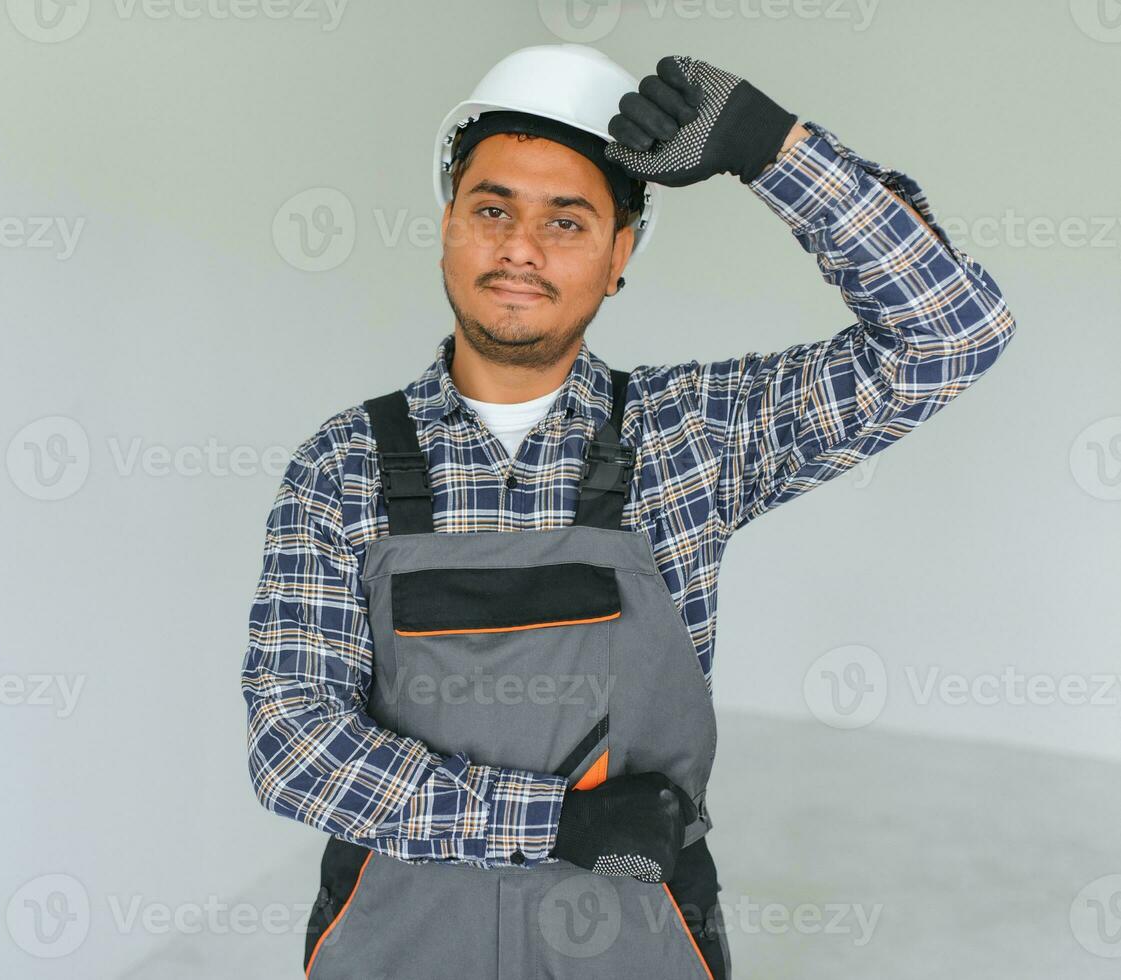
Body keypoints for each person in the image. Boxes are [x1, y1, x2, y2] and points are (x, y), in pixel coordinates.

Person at [241, 44, 1016, 980]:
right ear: (448, 224)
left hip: (631, 942)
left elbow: (950, 332)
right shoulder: (344, 463)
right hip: (397, 941)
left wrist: (772, 148)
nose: (519, 248)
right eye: (492, 211)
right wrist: (550, 823)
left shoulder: (690, 437)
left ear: (619, 256)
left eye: (565, 223)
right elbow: (291, 741)